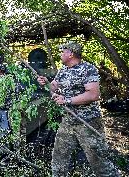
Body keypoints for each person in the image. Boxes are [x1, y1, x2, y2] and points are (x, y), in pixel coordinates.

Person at [37, 41, 120, 177]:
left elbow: (93, 94)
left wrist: (67, 100)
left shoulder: (88, 69)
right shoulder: (63, 70)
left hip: (87, 122)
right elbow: (54, 87)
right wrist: (45, 83)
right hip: (68, 121)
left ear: (71, 54)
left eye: (63, 52)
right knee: (59, 160)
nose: (60, 54)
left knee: (99, 163)